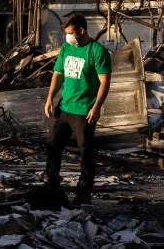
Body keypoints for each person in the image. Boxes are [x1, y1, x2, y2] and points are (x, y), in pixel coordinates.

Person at [44, 13, 112, 207]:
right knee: (53, 145)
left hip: (84, 111)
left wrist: (97, 107)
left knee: (85, 151)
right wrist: (50, 98)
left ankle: (84, 190)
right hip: (64, 107)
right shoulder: (66, 47)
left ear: (81, 30)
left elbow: (104, 82)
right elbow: (58, 74)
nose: (68, 37)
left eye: (71, 33)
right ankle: (52, 183)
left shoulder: (97, 51)